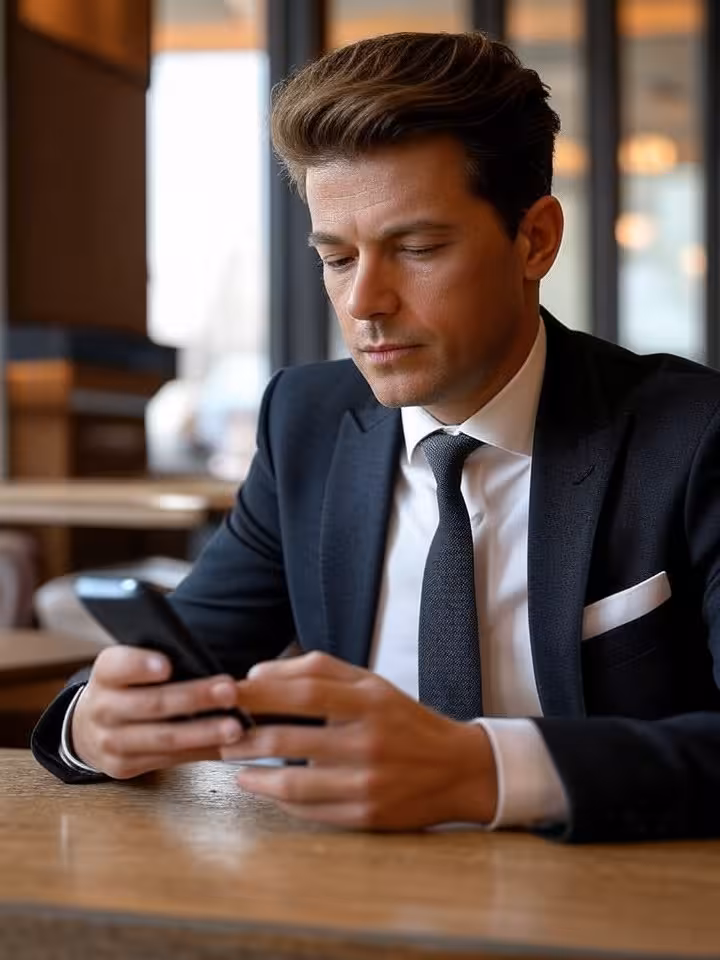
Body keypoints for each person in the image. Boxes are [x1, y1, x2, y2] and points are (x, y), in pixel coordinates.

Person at [32, 31, 720, 843]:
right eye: (335, 258)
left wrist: (482, 772)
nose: (364, 303)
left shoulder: (693, 435)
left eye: (417, 249)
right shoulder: (308, 422)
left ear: (534, 240)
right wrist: (94, 724)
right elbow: (190, 656)